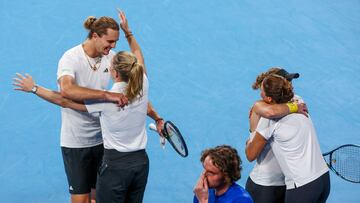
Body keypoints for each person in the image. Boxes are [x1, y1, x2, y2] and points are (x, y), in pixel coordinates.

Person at [13, 11, 164, 203]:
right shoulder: (70, 58)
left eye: (116, 42)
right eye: (109, 41)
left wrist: (157, 117)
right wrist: (107, 95)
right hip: (77, 141)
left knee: (97, 198)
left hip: (104, 141)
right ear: (95, 36)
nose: (113, 46)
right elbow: (66, 92)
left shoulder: (112, 58)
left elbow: (136, 93)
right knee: (81, 200)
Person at [245, 74, 330, 203]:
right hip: (323, 179)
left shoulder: (269, 119)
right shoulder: (298, 101)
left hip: (302, 187)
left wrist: (250, 139)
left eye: (261, 91)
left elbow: (250, 155)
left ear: (268, 98)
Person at [246, 67, 303, 203]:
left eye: (289, 82)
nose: (290, 86)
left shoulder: (296, 101)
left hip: (287, 183)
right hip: (264, 186)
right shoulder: (267, 114)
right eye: (286, 82)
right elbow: (250, 155)